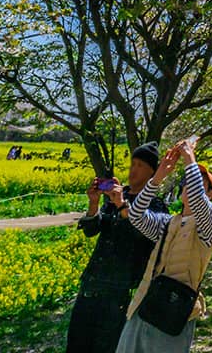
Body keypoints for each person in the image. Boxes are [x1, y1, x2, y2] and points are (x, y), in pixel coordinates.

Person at [117, 139, 212, 352]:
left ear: (209, 194)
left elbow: (198, 200)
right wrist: (158, 177)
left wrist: (190, 158)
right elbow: (135, 215)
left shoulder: (207, 224)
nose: (190, 185)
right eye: (189, 181)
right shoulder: (167, 222)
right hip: (144, 304)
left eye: (201, 182)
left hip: (174, 313)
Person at [67, 143, 166, 353]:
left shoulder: (156, 206)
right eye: (132, 163)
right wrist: (94, 205)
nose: (133, 169)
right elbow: (92, 230)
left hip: (121, 291)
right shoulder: (115, 198)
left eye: (140, 165)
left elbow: (142, 235)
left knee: (108, 347)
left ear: (152, 172)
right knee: (78, 343)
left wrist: (123, 205)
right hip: (93, 282)